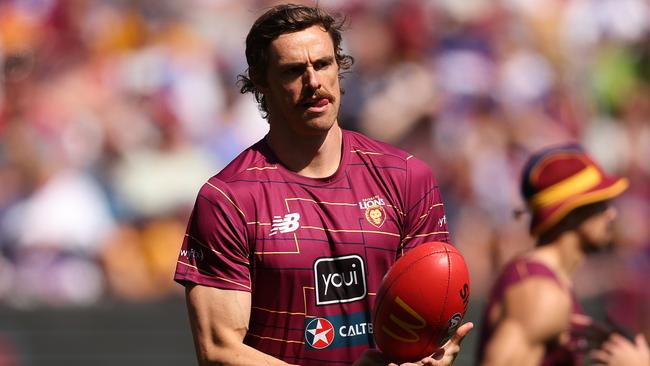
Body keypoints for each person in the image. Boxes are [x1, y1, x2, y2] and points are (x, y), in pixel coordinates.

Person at [173, 4, 472, 366]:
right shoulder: (228, 199)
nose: (313, 82)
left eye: (324, 64)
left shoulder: (407, 177)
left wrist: (436, 354)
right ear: (261, 81)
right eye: (294, 70)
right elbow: (219, 350)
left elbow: (432, 305)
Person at [478, 143, 631, 366]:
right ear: (569, 212)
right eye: (600, 204)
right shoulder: (541, 295)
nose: (612, 213)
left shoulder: (544, 283)